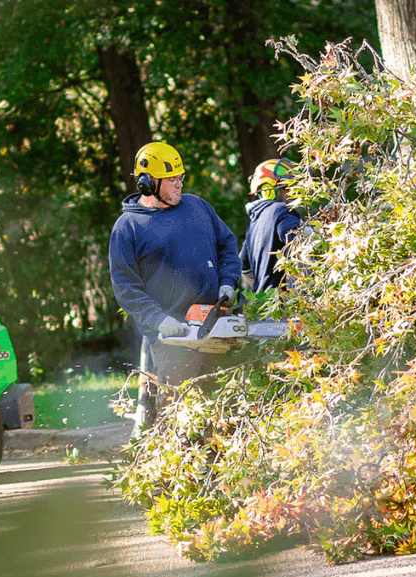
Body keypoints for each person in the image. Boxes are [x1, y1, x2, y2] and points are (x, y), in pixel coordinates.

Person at [108, 141, 242, 430]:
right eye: (172, 180)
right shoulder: (128, 227)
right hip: (174, 338)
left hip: (217, 325)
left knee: (228, 415)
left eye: (180, 177)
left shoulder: (197, 206)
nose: (179, 184)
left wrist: (228, 282)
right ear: (147, 183)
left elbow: (227, 245)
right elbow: (126, 287)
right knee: (183, 419)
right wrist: (159, 320)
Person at [239, 157, 303, 293]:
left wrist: (265, 291)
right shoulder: (283, 212)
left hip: (265, 307)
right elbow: (301, 249)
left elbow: (244, 267)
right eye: (286, 188)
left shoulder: (254, 221)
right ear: (268, 189)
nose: (291, 193)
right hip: (287, 308)